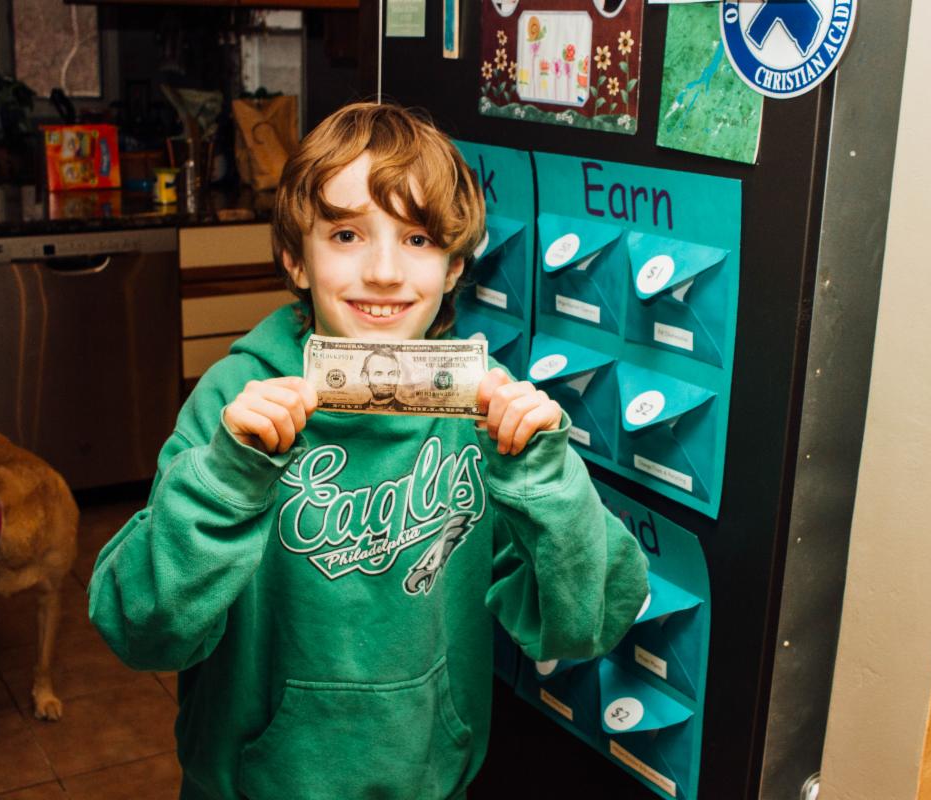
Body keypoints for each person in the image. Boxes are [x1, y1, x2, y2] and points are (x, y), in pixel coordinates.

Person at [88, 101, 649, 800]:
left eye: (417, 239)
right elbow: (139, 629)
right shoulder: (236, 400)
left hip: (427, 780)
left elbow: (592, 621)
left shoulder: (485, 412)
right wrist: (227, 480)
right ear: (296, 256)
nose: (384, 271)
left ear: (453, 269)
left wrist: (544, 479)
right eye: (348, 233)